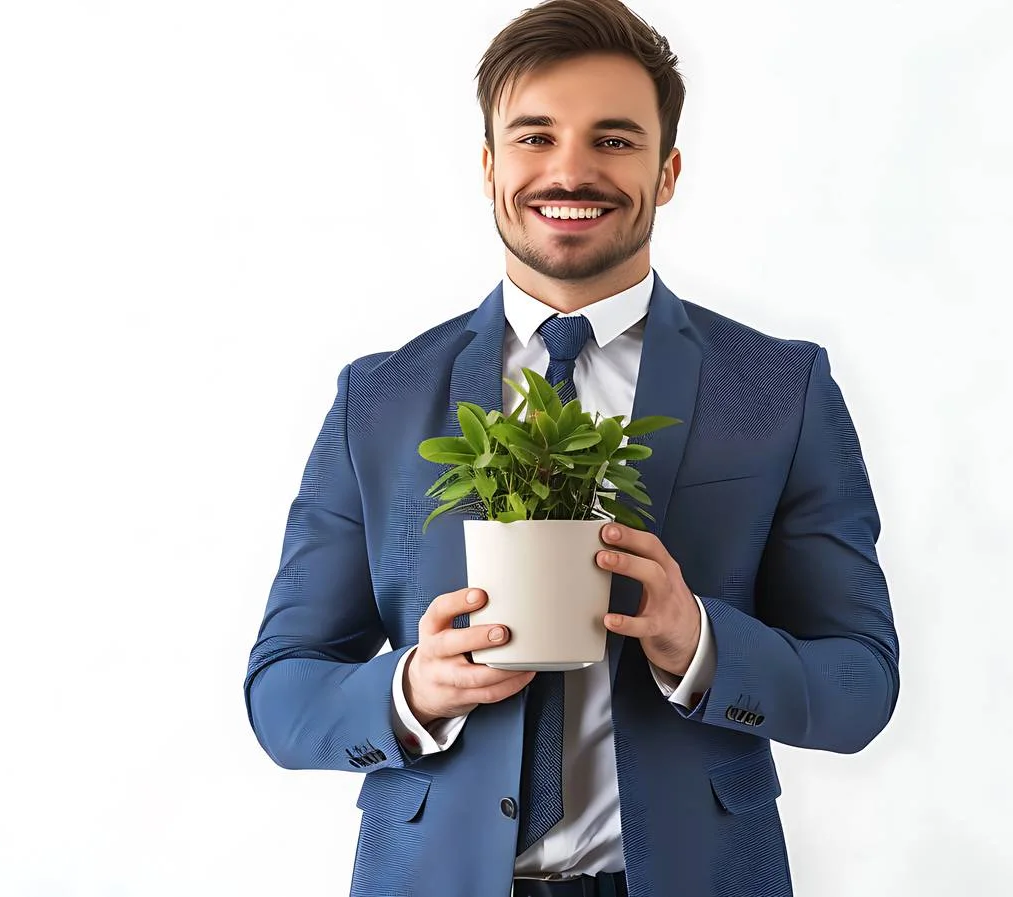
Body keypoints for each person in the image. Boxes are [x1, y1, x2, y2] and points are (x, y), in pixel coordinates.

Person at [242, 1, 899, 894]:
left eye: (616, 140)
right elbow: (282, 690)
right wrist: (411, 691)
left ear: (668, 172)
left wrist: (702, 643)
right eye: (535, 136)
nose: (570, 170)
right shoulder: (381, 398)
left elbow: (859, 681)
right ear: (488, 165)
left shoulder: (779, 389)